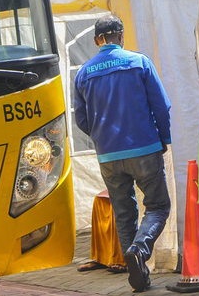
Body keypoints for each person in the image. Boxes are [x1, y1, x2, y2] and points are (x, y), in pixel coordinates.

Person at [73, 15, 173, 292]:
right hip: (144, 147)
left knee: (123, 212)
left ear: (97, 41)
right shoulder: (139, 62)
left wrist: (103, 138)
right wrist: (163, 138)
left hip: (108, 155)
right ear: (121, 35)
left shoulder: (83, 73)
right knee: (157, 207)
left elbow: (81, 120)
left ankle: (138, 277)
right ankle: (139, 249)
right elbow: (161, 106)